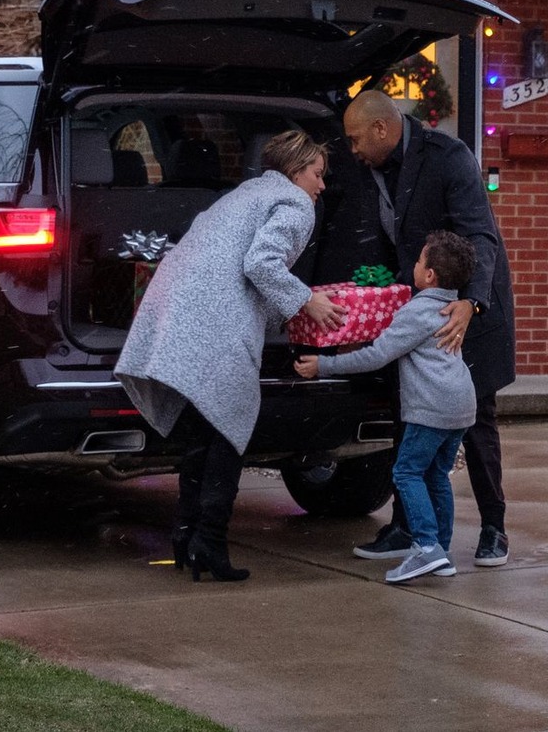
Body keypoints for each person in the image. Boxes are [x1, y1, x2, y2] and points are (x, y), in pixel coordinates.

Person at [115, 129, 347, 582]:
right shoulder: (295, 204)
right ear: (297, 170)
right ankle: (210, 545)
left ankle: (186, 537)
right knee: (229, 429)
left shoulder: (245, 193)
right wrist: (307, 301)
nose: (322, 186)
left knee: (203, 430)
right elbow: (261, 263)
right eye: (318, 174)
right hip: (219, 321)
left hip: (177, 312)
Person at [340, 89, 516, 567]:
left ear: (381, 128)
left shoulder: (448, 157)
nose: (352, 149)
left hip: (470, 313)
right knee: (410, 414)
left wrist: (471, 303)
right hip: (421, 310)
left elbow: (480, 234)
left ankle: (494, 529)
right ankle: (406, 529)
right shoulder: (372, 169)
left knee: (477, 420)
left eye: (356, 139)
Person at [295, 231, 478, 582]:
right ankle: (441, 549)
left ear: (429, 276)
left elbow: (379, 355)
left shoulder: (418, 310)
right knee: (436, 475)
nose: (414, 263)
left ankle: (426, 549)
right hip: (460, 403)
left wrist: (324, 365)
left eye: (420, 260)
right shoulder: (450, 308)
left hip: (432, 407)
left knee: (407, 472)